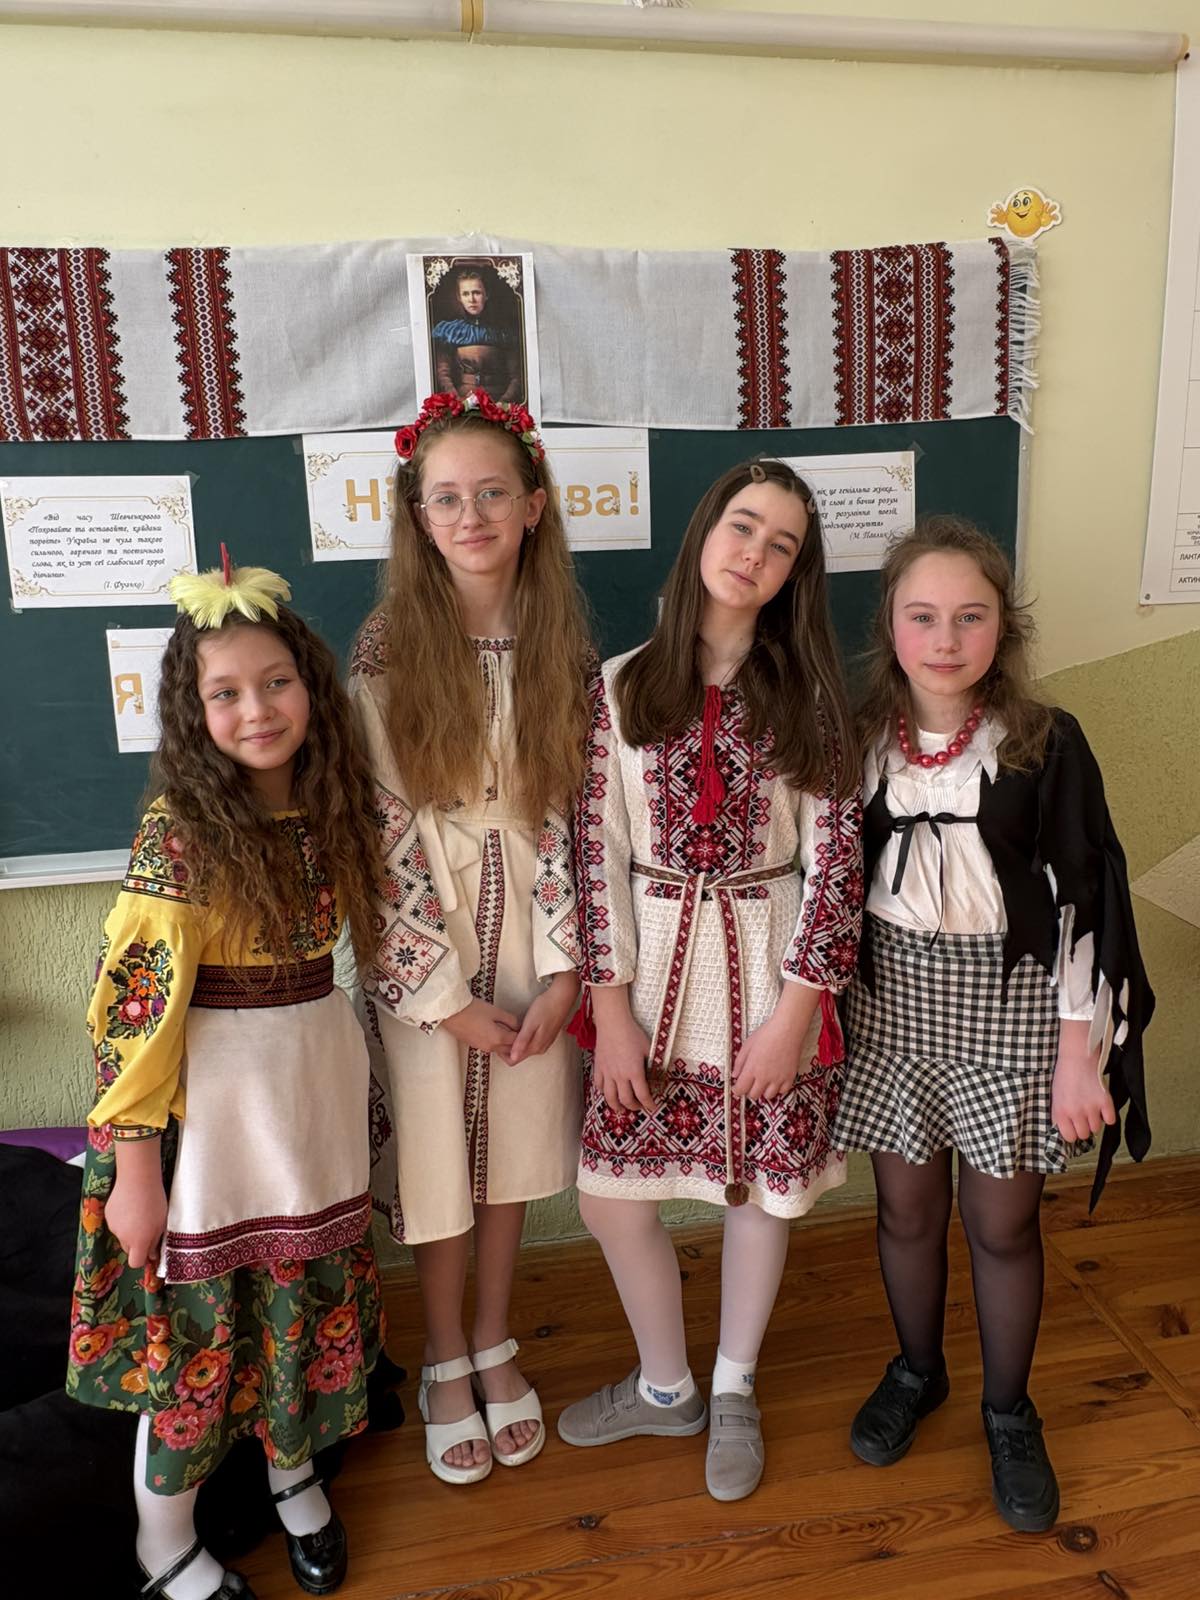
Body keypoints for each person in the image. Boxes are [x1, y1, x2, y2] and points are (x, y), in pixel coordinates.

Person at [66, 553, 386, 1600]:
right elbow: (135, 1015)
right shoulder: (182, 835)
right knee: (195, 1339)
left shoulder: (332, 805)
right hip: (209, 1127)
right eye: (226, 693)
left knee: (301, 1308)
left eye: (277, 682)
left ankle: (292, 1472)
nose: (258, 710)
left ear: (311, 686)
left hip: (307, 1103)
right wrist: (136, 1170)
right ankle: (163, 1541)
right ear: (192, 711)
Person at [834, 516, 1153, 1532]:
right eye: (923, 615)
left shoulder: (1043, 741)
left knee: (1002, 1221)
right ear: (889, 626)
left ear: (1002, 627)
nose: (946, 638)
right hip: (892, 995)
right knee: (906, 1210)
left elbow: (1085, 901)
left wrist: (1078, 1055)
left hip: (1013, 999)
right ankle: (918, 1369)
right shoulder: (853, 738)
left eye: (970, 616)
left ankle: (1009, 1412)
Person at [557, 459, 863, 1502]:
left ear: (795, 573)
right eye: (743, 526)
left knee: (760, 1194)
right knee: (610, 1197)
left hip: (769, 969)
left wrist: (796, 1014)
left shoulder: (813, 700)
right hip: (650, 974)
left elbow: (837, 861)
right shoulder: (617, 686)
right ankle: (665, 1384)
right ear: (704, 533)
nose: (755, 554)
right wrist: (609, 1010)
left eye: (782, 545)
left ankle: (734, 1385)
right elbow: (593, 850)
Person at [350, 388, 592, 1485]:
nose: (471, 514)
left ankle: (494, 1338)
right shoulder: (390, 649)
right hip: (430, 939)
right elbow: (376, 827)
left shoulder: (562, 647)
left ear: (533, 505)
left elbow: (583, 816)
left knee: (515, 1153)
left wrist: (565, 970)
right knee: (439, 1155)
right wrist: (441, 996)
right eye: (446, 497)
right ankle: (444, 1349)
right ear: (419, 514)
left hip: (537, 931)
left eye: (493, 492)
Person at [432, 266, 522, 405]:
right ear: (459, 297)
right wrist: (459, 402)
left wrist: (503, 402)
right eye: (465, 294)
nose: (471, 299)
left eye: (477, 293)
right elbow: (443, 375)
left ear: (487, 294)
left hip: (497, 400)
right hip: (463, 401)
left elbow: (517, 376)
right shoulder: (450, 331)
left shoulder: (503, 331)